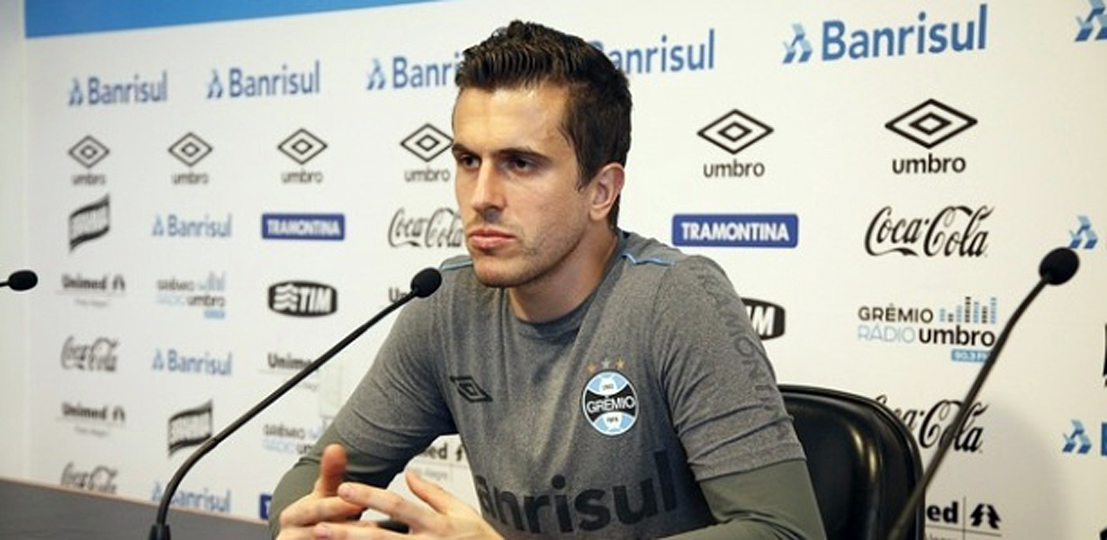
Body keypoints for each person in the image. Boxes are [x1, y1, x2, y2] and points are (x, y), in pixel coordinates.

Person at [270, 20, 826, 539]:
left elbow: (786, 530)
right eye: (468, 160)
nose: (482, 196)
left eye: (520, 163)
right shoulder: (445, 306)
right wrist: (310, 525)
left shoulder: (675, 300)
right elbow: (312, 481)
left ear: (601, 191)